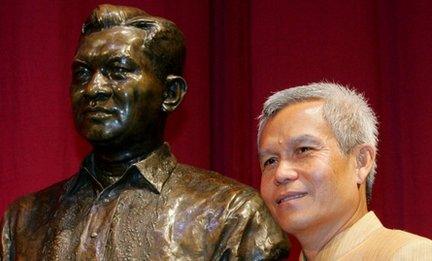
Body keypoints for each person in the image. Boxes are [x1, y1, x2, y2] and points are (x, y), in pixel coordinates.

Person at [1, 4, 289, 260]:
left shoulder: (234, 216)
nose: (94, 89)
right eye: (83, 74)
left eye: (118, 71)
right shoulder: (24, 220)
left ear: (170, 93)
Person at [257, 82, 432, 260]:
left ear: (361, 162)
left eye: (304, 150)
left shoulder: (409, 254)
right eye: (270, 161)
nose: (281, 173)